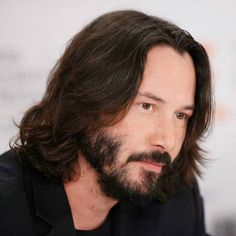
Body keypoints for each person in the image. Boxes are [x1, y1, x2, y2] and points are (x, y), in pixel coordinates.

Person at [0, 10, 213, 236]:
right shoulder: (7, 211)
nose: (167, 141)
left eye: (180, 115)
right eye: (146, 106)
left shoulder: (177, 201)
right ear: (87, 101)